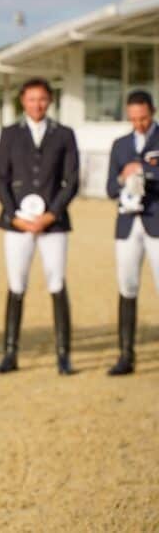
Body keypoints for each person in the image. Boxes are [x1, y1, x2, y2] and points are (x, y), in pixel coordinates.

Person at [0, 77, 79, 375]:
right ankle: (10, 353)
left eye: (42, 99)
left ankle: (64, 355)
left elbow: (71, 180)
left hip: (53, 224)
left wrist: (51, 214)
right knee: (16, 283)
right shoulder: (9, 134)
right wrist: (13, 215)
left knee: (57, 282)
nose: (37, 105)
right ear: (23, 101)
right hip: (18, 222)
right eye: (32, 99)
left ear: (50, 100)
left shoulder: (64, 134)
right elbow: (1, 179)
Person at [105, 90, 159, 375]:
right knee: (127, 286)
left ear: (153, 112)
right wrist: (123, 177)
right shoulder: (120, 144)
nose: (138, 124)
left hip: (156, 222)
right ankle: (126, 354)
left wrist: (145, 173)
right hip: (127, 225)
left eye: (144, 118)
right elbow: (109, 188)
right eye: (134, 119)